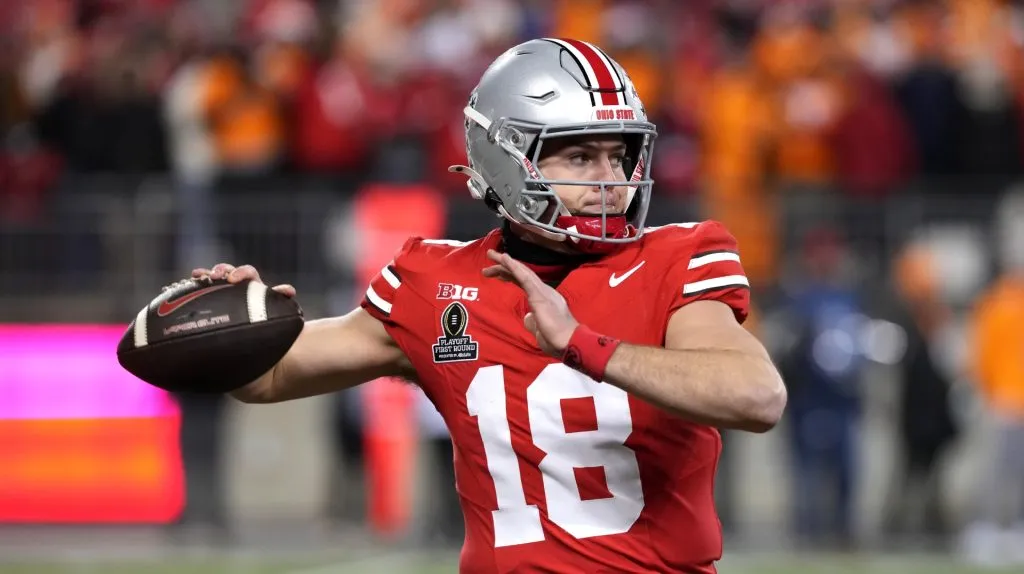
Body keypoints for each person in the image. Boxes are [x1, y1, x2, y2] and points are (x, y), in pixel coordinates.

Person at [191, 38, 787, 573]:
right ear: (506, 160)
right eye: (581, 157)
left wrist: (583, 345)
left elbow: (756, 396)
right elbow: (264, 380)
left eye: (622, 155)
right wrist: (233, 316)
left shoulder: (677, 257)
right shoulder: (433, 280)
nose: (613, 180)